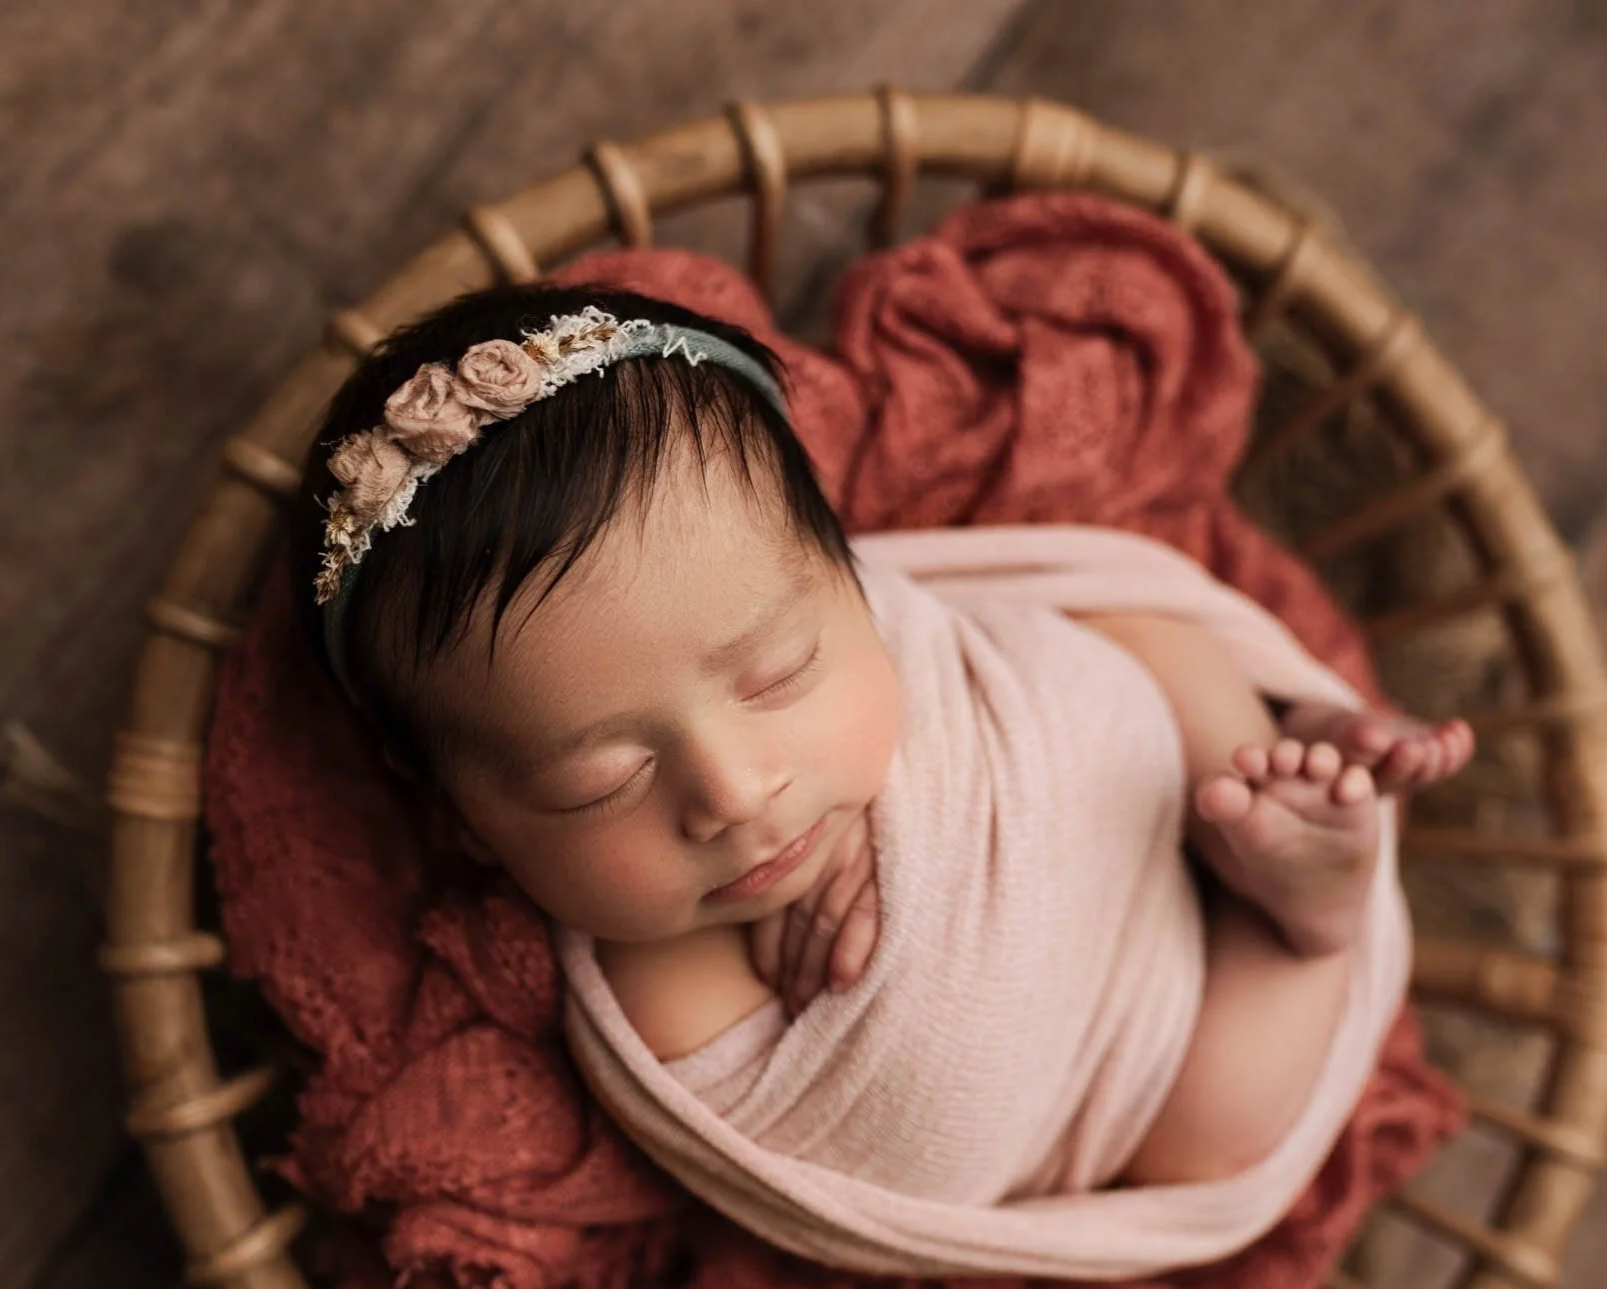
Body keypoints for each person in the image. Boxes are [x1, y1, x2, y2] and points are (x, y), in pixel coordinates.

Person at [292, 282, 1473, 1194]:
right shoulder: (661, 1001)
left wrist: (911, 799)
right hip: (1150, 1058)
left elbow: (995, 643)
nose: (736, 792)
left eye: (777, 673)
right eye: (603, 780)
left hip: (1144, 788)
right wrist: (895, 894)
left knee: (1142, 644)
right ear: (467, 819)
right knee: (1206, 1140)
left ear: (846, 568)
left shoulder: (876, 616)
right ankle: (1309, 927)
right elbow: (936, 1143)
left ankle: (1280, 774)